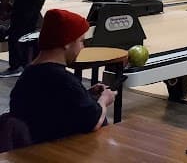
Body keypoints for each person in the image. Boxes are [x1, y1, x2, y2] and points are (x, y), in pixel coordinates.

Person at [9, 9, 116, 144]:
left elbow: (54, 105)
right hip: (58, 152)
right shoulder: (64, 80)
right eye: (81, 41)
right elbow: (93, 122)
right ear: (67, 43)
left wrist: (87, 95)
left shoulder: (29, 74)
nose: (82, 48)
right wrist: (104, 100)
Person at [0, 0, 46, 77]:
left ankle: (16, 67)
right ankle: (30, 64)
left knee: (15, 32)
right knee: (29, 32)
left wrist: (5, 9)